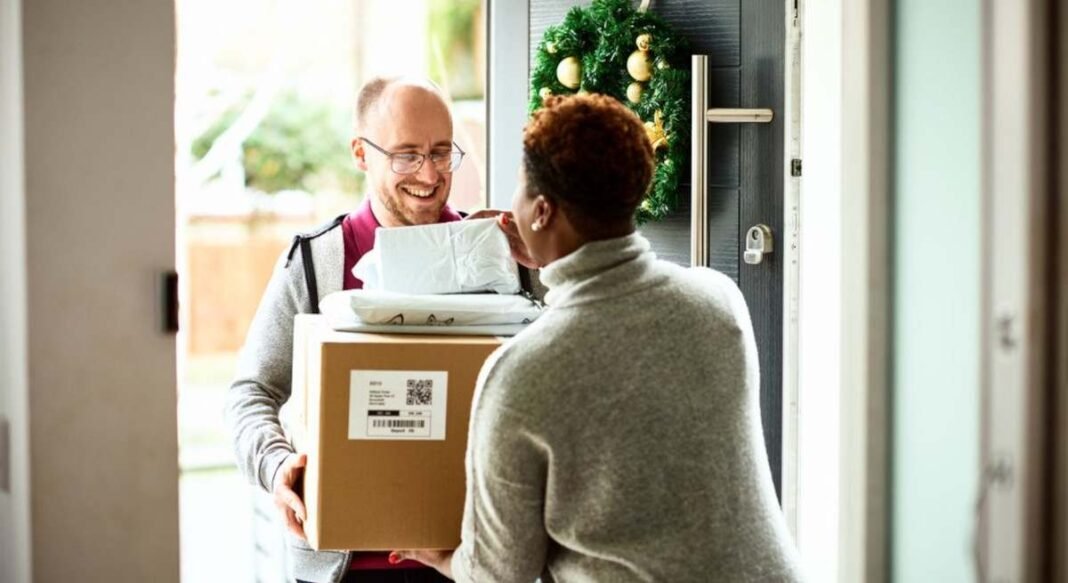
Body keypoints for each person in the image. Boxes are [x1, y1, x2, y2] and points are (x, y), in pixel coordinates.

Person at [396, 94, 804, 581]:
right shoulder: (719, 300)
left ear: (541, 211)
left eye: (520, 189)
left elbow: (499, 574)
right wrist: (553, 253)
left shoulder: (521, 374)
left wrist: (445, 558)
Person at [224, 76, 526, 583]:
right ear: (361, 154)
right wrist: (276, 465)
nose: (429, 174)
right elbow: (250, 392)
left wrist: (544, 261)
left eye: (441, 152)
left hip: (467, 564)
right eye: (407, 155)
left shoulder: (497, 253)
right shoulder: (316, 261)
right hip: (343, 568)